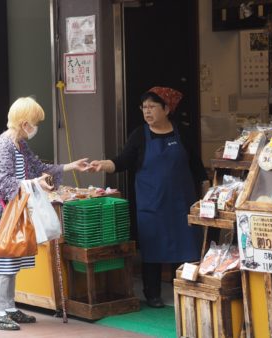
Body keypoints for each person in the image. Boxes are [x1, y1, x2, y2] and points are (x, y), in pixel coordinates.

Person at [88, 87, 209, 308]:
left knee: (186, 248)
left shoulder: (182, 132)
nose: (147, 111)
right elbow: (123, 160)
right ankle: (152, 294)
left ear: (166, 109)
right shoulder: (139, 135)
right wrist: (103, 165)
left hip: (182, 204)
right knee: (153, 250)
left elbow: (196, 166)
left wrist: (206, 192)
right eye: (144, 107)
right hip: (152, 204)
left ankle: (185, 290)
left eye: (152, 106)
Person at [0, 97, 88, 330]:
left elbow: (40, 169)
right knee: (4, 264)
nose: (36, 127)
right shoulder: (4, 145)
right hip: (2, 214)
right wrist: (35, 184)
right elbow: (4, 183)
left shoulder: (20, 144)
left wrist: (70, 166)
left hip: (16, 212)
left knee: (12, 262)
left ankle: (8, 307)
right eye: (35, 122)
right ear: (24, 123)